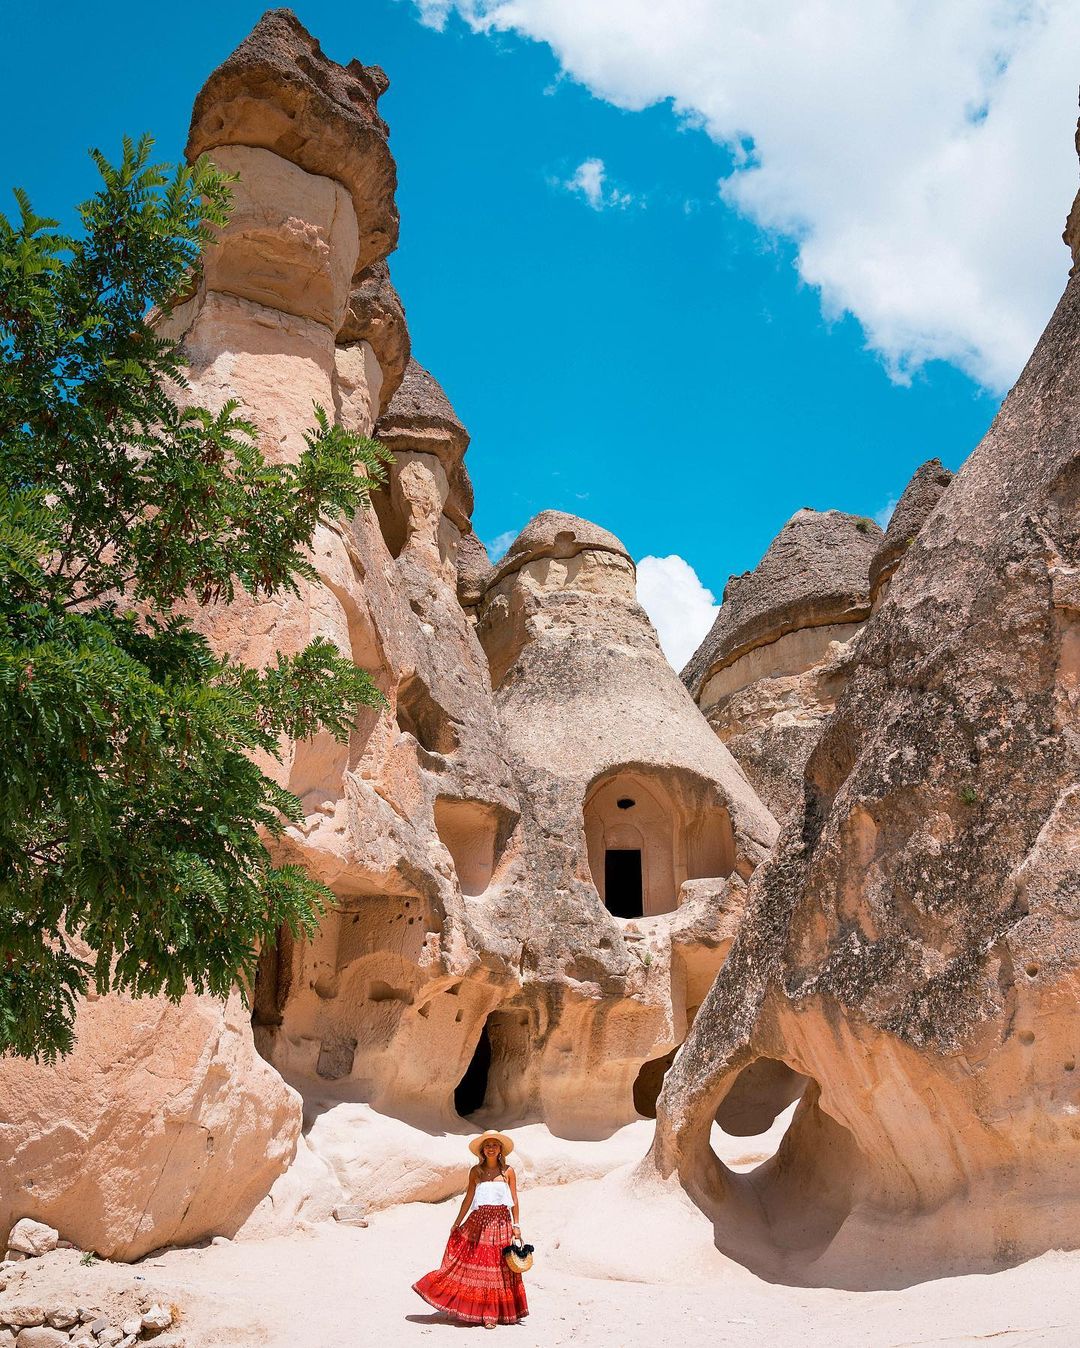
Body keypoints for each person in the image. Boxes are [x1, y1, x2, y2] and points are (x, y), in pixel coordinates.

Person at [412, 1130, 529, 1328]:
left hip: (501, 1223)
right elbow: (468, 1198)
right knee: (477, 1266)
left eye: (494, 1144)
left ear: (500, 1149)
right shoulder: (476, 1171)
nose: (491, 1148)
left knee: (497, 1268)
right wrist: (457, 1222)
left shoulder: (508, 1171)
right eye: (487, 1145)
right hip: (478, 1222)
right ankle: (484, 1313)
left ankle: (492, 1314)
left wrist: (516, 1225)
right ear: (482, 1150)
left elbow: (514, 1199)